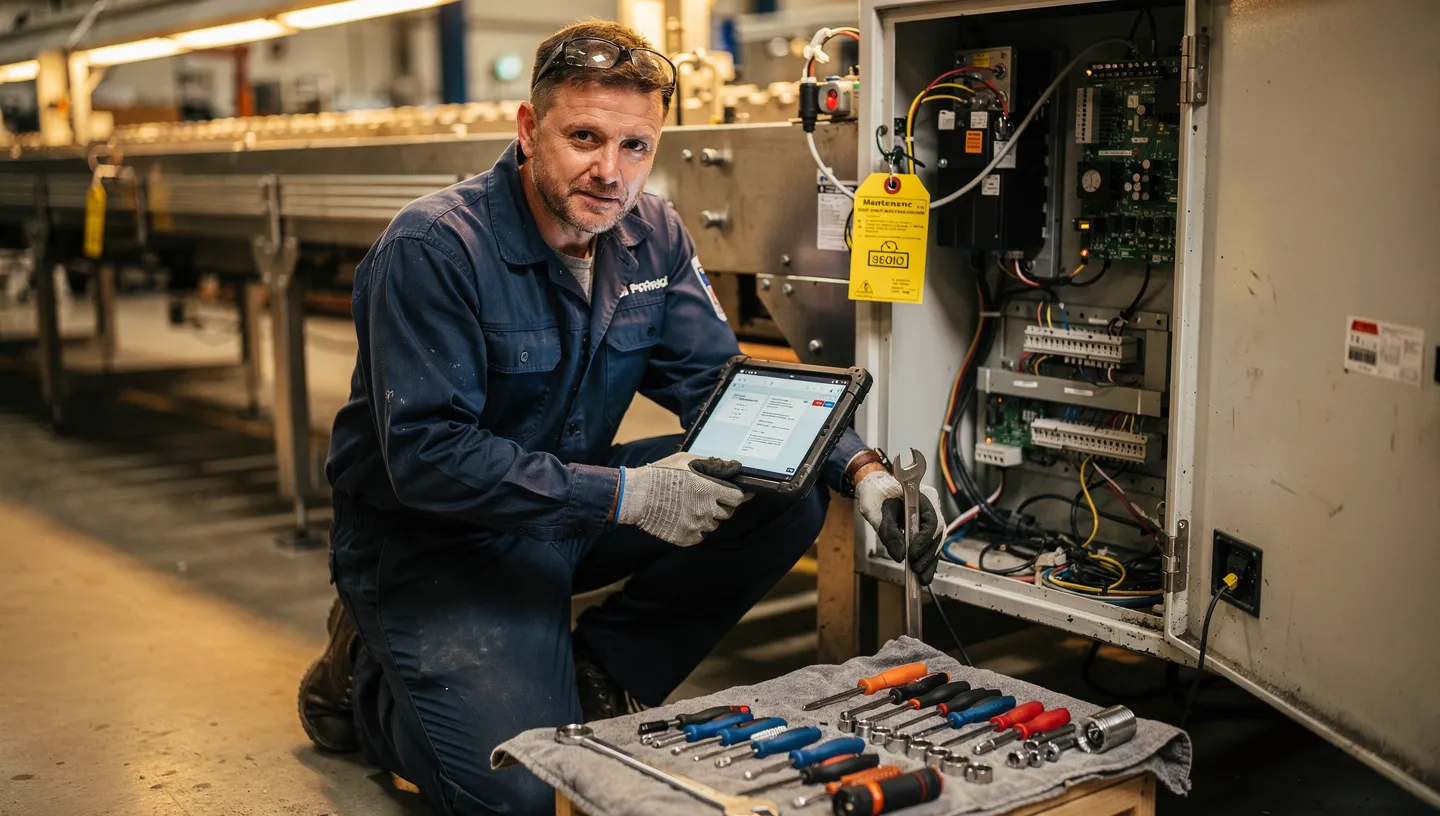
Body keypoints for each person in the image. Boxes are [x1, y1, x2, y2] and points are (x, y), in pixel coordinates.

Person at [298, 20, 946, 816]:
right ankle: (364, 679)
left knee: (785, 488)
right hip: (432, 541)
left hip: (563, 513)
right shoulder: (434, 248)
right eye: (584, 137)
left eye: (636, 146)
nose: (611, 172)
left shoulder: (649, 234)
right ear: (530, 129)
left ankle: (602, 670)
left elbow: (719, 382)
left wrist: (860, 468)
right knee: (520, 793)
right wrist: (628, 498)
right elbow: (429, 457)